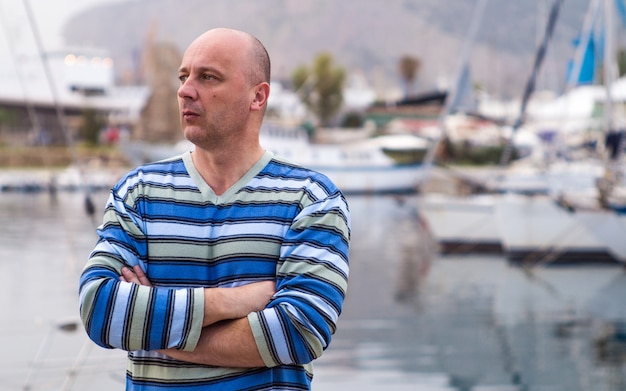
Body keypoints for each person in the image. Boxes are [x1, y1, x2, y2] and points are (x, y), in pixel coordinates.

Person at [78, 28, 350, 390]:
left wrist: (154, 329)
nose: (185, 90)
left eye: (208, 77)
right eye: (183, 76)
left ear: (258, 96)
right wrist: (235, 302)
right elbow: (99, 309)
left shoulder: (311, 199)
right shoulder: (138, 193)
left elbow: (299, 331)